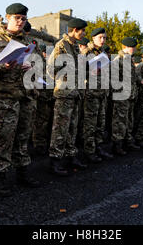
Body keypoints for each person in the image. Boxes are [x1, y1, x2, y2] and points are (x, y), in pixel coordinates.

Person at [0, 3, 40, 197]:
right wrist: (3, 67)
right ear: (7, 18)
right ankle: (0, 177)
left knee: (23, 136)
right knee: (3, 137)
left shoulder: (29, 42)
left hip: (25, 95)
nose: (20, 22)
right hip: (4, 96)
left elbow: (39, 64)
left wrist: (32, 65)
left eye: (23, 19)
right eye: (17, 18)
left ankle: (23, 172)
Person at [47, 18, 88, 176]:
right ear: (75, 30)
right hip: (64, 93)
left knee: (72, 127)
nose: (84, 33)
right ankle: (55, 160)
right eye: (82, 30)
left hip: (75, 92)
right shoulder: (61, 45)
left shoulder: (75, 47)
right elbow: (51, 68)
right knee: (60, 128)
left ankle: (71, 156)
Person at [81, 28, 113, 163]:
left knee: (101, 122)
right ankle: (89, 150)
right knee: (90, 123)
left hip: (102, 93)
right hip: (91, 93)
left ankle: (98, 146)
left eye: (104, 38)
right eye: (100, 37)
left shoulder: (103, 53)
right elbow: (77, 72)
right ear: (93, 38)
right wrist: (90, 73)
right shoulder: (85, 53)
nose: (102, 40)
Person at [111, 37, 141, 154]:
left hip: (131, 94)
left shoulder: (129, 60)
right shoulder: (119, 60)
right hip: (121, 95)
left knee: (129, 119)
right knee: (119, 120)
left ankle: (128, 141)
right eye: (131, 47)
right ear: (125, 47)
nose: (134, 49)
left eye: (134, 47)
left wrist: (139, 81)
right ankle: (117, 144)